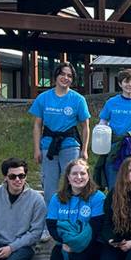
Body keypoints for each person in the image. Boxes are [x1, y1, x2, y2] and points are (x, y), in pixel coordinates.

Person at [45, 158, 104, 260]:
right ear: (68, 177)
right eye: (75, 174)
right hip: (66, 242)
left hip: (91, 243)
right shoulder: (57, 198)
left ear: (88, 175)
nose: (79, 177)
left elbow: (97, 227)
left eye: (82, 173)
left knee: (79, 257)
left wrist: (77, 244)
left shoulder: (97, 197)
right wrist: (65, 242)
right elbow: (52, 225)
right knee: (56, 256)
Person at [29, 62, 90, 206]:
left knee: (73, 181)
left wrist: (85, 150)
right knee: (49, 184)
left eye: (69, 76)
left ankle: (73, 213)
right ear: (56, 76)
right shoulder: (43, 98)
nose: (65, 78)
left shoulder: (78, 99)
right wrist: (37, 149)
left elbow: (86, 126)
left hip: (70, 144)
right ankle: (51, 219)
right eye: (62, 74)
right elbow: (37, 125)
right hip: (48, 145)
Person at [96, 68, 131, 189]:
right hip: (114, 149)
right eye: (126, 82)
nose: (130, 85)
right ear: (120, 84)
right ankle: (114, 205)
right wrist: (100, 135)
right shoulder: (111, 102)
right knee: (114, 185)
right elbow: (103, 121)